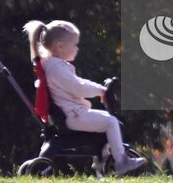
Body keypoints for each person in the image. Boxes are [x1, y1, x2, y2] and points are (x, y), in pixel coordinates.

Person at [23, 18, 148, 175]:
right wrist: (101, 91)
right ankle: (121, 162)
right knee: (111, 122)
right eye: (74, 45)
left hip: (70, 113)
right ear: (60, 46)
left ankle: (104, 159)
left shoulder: (51, 65)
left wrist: (99, 89)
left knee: (107, 120)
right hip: (73, 116)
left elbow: (78, 82)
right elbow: (78, 88)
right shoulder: (57, 68)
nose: (77, 49)